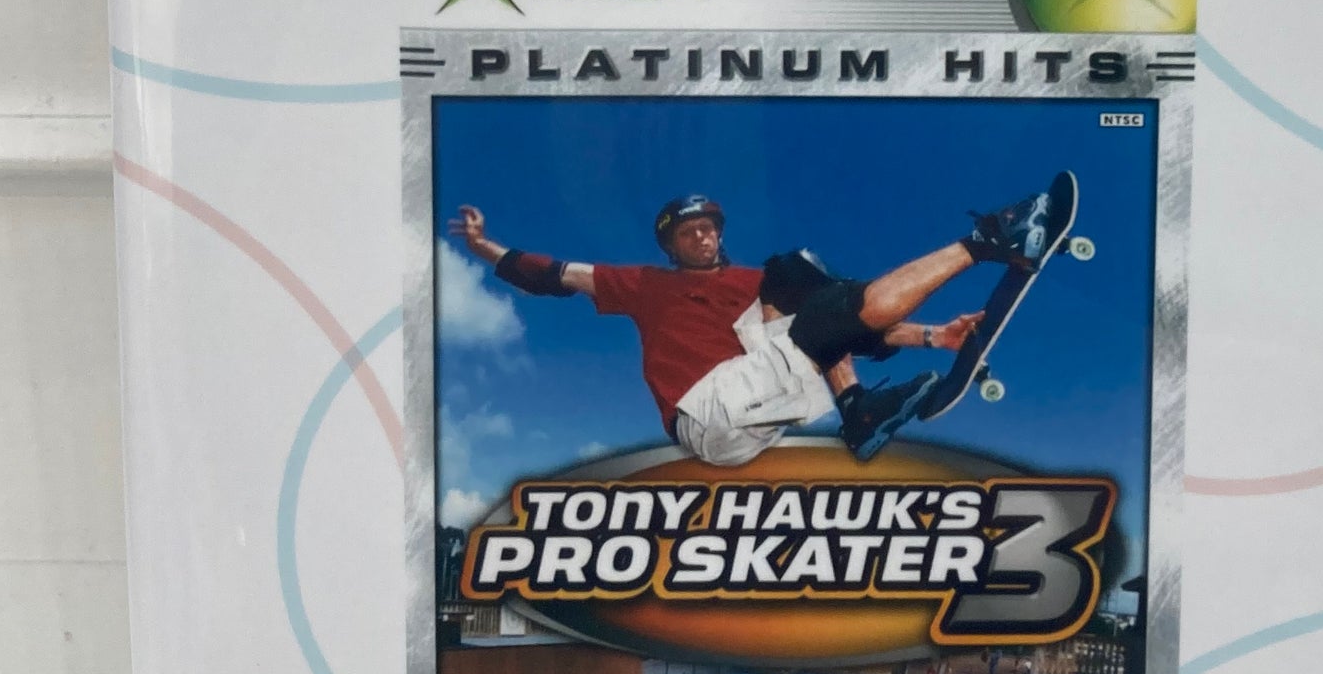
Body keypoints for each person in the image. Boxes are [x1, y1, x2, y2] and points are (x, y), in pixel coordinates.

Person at [448, 182, 1065, 466]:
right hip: (706, 409)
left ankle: (858, 412)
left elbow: (851, 327)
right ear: (671, 246)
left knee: (803, 285)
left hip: (752, 416)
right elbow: (555, 274)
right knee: (802, 289)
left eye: (708, 229)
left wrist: (935, 337)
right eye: (688, 234)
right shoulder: (645, 283)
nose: (702, 238)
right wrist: (483, 247)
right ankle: (989, 241)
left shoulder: (752, 286)